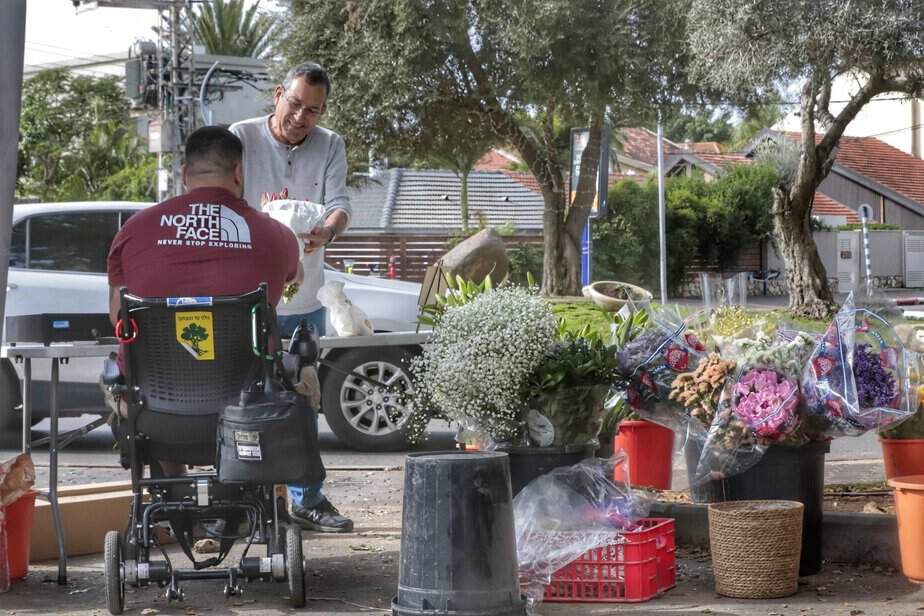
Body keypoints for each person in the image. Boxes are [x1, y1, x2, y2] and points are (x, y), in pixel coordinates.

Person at [106, 126, 301, 476]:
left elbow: (117, 316)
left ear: (184, 174)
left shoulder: (134, 230)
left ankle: (172, 483)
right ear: (238, 172)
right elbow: (295, 275)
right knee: (301, 374)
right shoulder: (276, 235)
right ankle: (262, 486)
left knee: (123, 375)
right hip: (249, 411)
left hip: (152, 411)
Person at [230, 61, 354, 533]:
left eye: (313, 111)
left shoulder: (331, 145)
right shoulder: (241, 136)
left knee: (304, 397)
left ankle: (308, 499)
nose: (301, 117)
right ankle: (249, 498)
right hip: (248, 297)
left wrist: (328, 231)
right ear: (279, 94)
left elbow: (340, 204)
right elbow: (224, 200)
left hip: (304, 298)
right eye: (295, 104)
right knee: (246, 398)